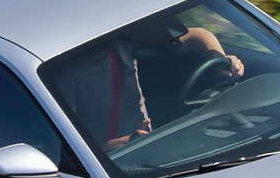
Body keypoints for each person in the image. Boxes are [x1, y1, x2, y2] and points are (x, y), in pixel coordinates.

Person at [56, 12, 243, 151]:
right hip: (107, 162)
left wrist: (220, 60)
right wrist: (127, 142)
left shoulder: (122, 46)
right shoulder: (65, 76)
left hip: (151, 143)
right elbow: (68, 149)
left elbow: (197, 35)